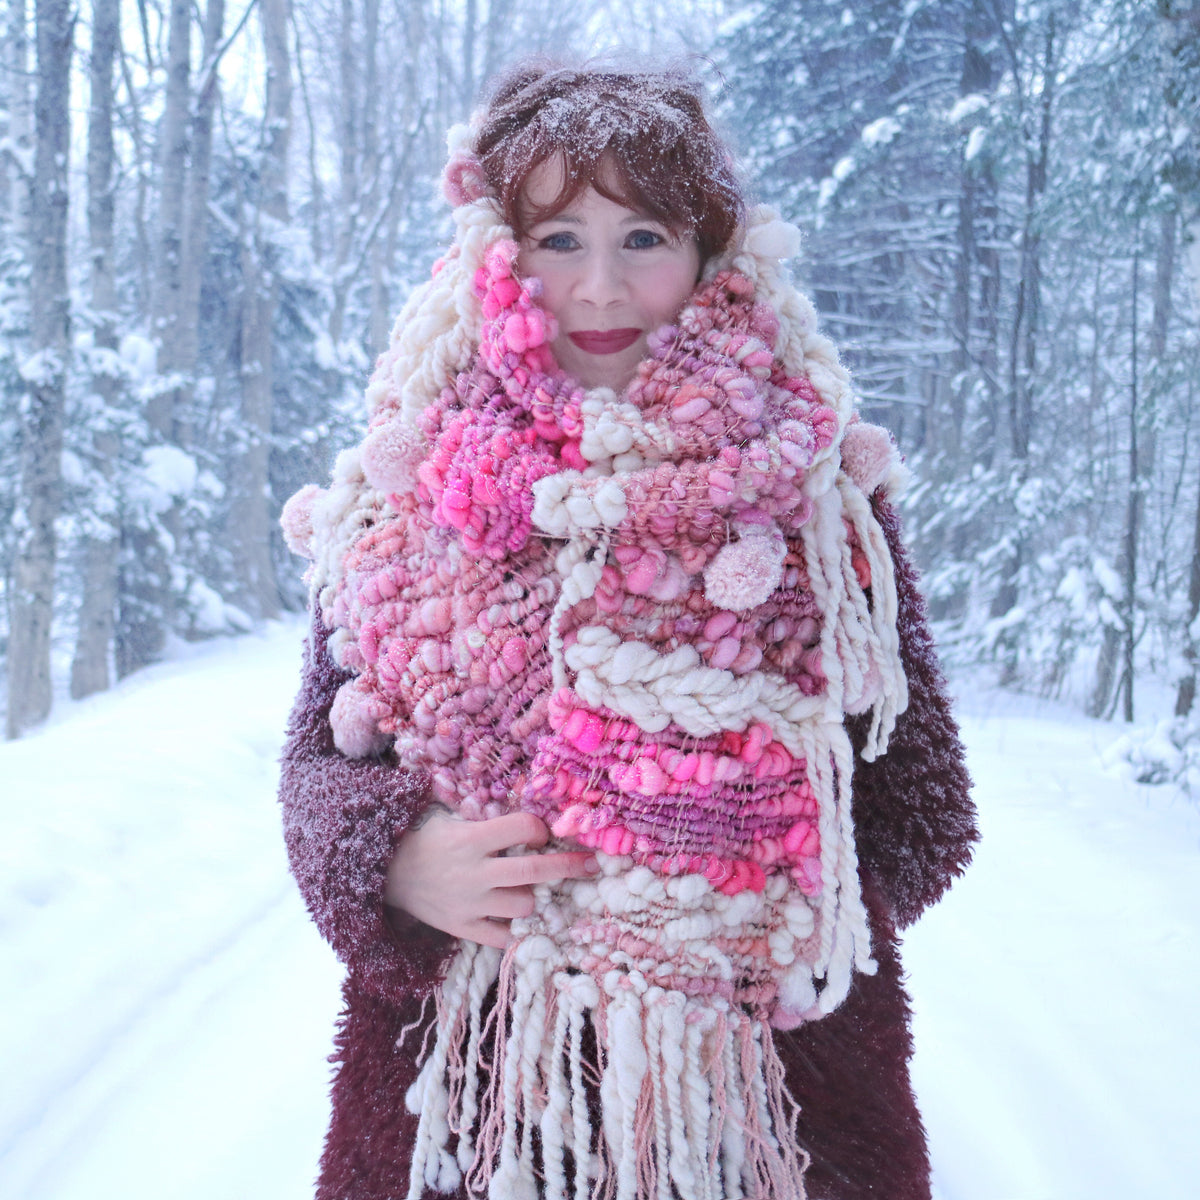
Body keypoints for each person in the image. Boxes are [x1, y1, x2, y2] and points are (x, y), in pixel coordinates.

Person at [279, 61, 977, 1200]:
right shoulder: (404, 489)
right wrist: (395, 867)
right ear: (495, 256)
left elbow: (926, 808)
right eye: (557, 239)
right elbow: (314, 770)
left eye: (644, 235)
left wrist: (734, 898)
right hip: (471, 1109)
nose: (599, 287)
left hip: (765, 1114)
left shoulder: (813, 493)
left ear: (708, 253)